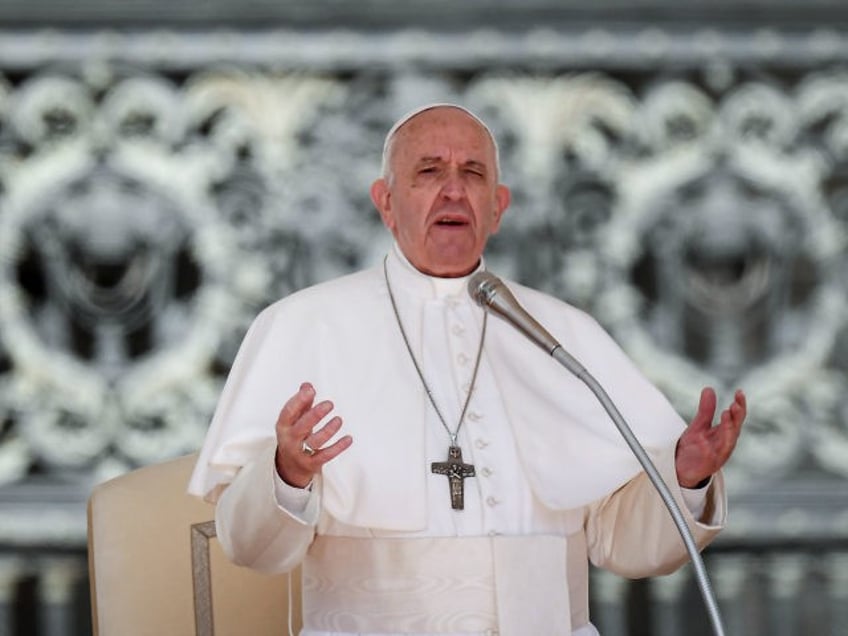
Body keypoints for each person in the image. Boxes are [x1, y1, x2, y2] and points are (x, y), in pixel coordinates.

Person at [188, 103, 746, 636]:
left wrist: (685, 477)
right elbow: (250, 549)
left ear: (498, 206)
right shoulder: (302, 325)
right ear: (385, 202)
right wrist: (286, 472)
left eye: (472, 173)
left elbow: (622, 544)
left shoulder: (563, 336)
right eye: (428, 171)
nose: (453, 189)